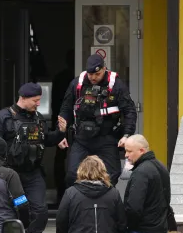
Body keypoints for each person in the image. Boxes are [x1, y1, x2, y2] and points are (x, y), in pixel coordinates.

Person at [0, 82, 67, 233]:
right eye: (35, 100)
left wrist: (61, 133)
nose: (38, 104)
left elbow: (46, 139)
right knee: (10, 212)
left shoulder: (37, 118)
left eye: (39, 100)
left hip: (32, 173)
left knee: (40, 211)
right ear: (23, 98)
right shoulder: (3, 117)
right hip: (10, 173)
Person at [58, 54, 137, 188]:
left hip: (107, 137)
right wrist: (61, 134)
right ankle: (82, 200)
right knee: (72, 174)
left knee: (112, 174)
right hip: (82, 138)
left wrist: (126, 135)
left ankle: (102, 201)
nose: (93, 77)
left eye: (97, 74)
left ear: (104, 69)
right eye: (90, 74)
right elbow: (65, 109)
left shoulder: (116, 85)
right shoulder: (77, 84)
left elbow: (129, 111)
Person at [56, 155, 127, 233]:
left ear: (81, 171)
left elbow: (61, 223)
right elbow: (122, 224)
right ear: (102, 171)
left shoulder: (71, 193)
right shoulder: (113, 193)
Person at [123, 134, 171, 233]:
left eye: (129, 151)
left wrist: (127, 226)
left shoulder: (141, 172)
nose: (126, 155)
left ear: (141, 151)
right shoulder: (161, 167)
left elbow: (134, 208)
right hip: (160, 231)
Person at [52, 49, 75, 204]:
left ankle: (63, 194)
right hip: (65, 122)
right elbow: (56, 103)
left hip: (63, 121)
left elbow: (55, 105)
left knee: (62, 158)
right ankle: (64, 194)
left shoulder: (62, 77)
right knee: (62, 158)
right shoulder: (65, 79)